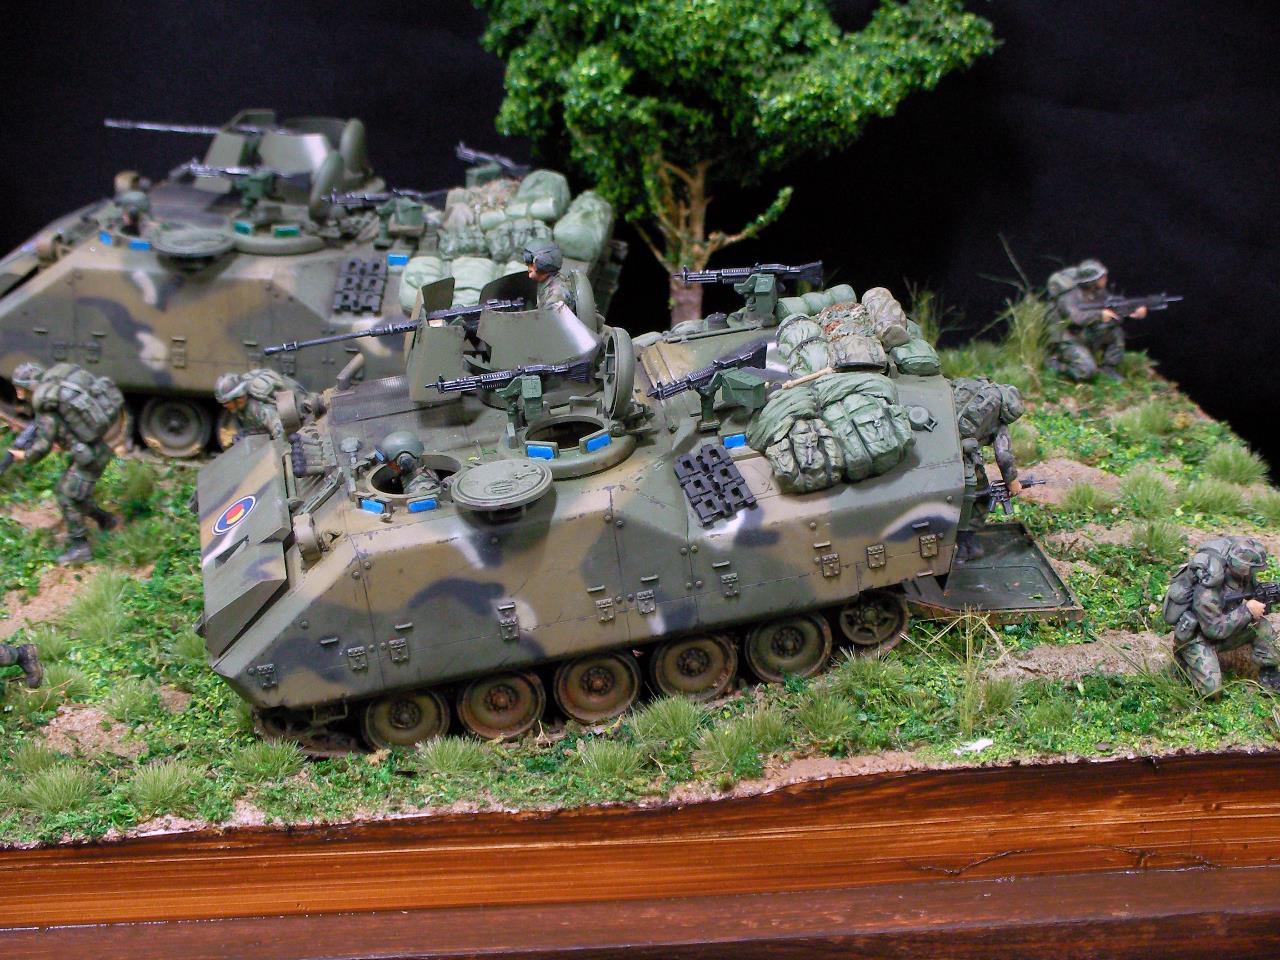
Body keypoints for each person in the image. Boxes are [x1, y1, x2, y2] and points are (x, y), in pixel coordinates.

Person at [8, 361, 122, 565]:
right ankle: (106, 520)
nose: (18, 392)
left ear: (27, 387)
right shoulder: (56, 392)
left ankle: (80, 548)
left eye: (19, 387)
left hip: (90, 456)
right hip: (94, 448)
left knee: (66, 495)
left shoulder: (45, 406)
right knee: (70, 490)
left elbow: (42, 446)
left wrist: (24, 456)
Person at [1163, 536, 1280, 698]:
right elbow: (1214, 630)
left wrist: (1263, 600)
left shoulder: (1242, 578)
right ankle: (1183, 664)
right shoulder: (1208, 589)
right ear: (1242, 567)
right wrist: (1247, 610)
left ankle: (1268, 675)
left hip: (1223, 627)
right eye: (1252, 570)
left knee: (1262, 627)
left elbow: (1251, 599)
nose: (1253, 574)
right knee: (1211, 692)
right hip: (1198, 637)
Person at [950, 376, 1025, 562]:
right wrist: (1012, 482)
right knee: (980, 496)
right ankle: (964, 544)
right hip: (959, 458)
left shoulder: (970, 385)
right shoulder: (998, 417)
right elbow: (1004, 455)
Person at [1046, 259, 1146, 382]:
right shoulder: (1068, 295)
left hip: (1084, 333)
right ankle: (1056, 365)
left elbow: (1111, 306)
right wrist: (1099, 315)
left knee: (1115, 332)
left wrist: (1131, 312)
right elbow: (1075, 318)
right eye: (1102, 277)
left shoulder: (1096, 291)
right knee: (1087, 371)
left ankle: (1108, 367)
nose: (1105, 279)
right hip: (1066, 338)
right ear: (1092, 280)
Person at [213, 369, 303, 440]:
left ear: (238, 398)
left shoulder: (259, 410)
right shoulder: (240, 411)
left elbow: (280, 433)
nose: (225, 406)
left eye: (226, 403)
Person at [373, 431, 441, 498]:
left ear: (404, 462)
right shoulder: (419, 471)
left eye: (390, 462)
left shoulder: (420, 491)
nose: (388, 465)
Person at [522, 239, 577, 315]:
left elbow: (548, 321)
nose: (528, 267)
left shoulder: (556, 296)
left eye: (530, 263)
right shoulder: (549, 281)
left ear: (542, 263)